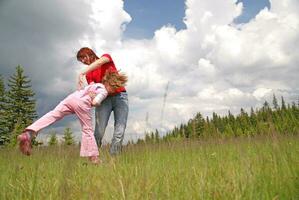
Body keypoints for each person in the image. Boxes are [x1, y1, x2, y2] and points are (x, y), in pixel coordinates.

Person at [17, 70, 128, 164]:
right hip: (82, 104)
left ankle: (29, 133)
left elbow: (84, 90)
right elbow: (96, 101)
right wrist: (96, 102)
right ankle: (94, 157)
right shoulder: (103, 91)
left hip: (71, 98)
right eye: (113, 89)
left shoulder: (95, 84)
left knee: (53, 114)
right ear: (110, 84)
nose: (112, 92)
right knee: (87, 129)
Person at [76, 47, 128, 155]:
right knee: (99, 132)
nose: (83, 61)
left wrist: (81, 72)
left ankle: (114, 158)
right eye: (81, 61)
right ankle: (93, 157)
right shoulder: (89, 75)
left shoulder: (106, 58)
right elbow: (92, 89)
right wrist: (92, 95)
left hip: (120, 97)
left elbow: (99, 63)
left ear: (90, 54)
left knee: (120, 131)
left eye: (83, 58)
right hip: (104, 101)